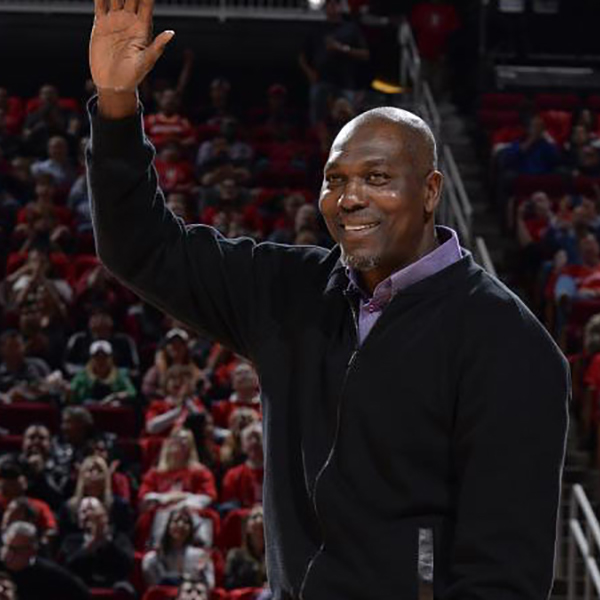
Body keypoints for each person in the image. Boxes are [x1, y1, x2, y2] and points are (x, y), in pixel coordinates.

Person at [87, 2, 571, 598]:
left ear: (430, 191)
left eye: (376, 178)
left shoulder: (509, 343)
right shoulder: (287, 290)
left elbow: (504, 579)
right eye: (335, 180)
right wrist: (115, 106)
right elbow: (142, 249)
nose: (349, 198)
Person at [0, 521, 89, 600]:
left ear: (32, 551)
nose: (9, 554)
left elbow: (81, 592)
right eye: (7, 547)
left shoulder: (50, 574)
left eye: (17, 550)